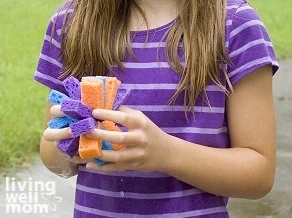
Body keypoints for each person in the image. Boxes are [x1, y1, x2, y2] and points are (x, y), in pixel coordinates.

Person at [34, 0, 279, 217]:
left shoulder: (235, 24)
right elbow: (51, 152)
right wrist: (68, 146)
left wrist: (166, 154)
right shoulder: (71, 22)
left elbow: (259, 174)